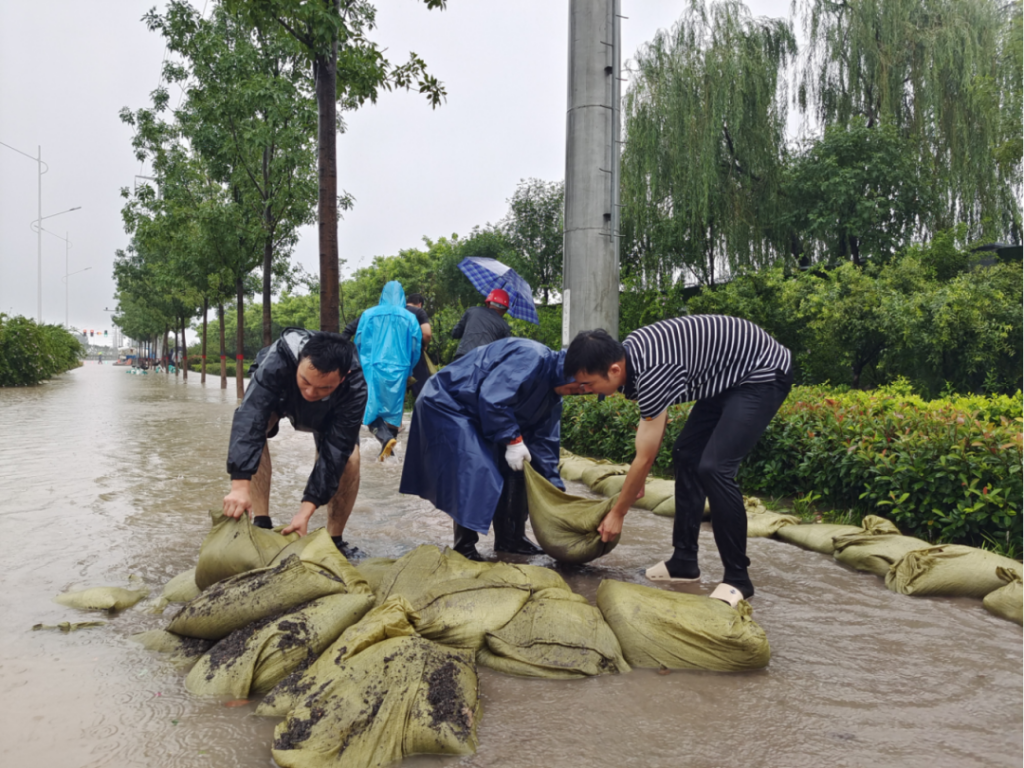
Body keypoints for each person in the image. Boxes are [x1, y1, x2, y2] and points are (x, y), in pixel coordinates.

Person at [564, 316, 793, 607]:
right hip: (724, 380)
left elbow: (645, 456)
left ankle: (738, 579)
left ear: (614, 369)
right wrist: (635, 484)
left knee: (714, 468)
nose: (586, 391)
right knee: (686, 454)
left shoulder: (652, 372)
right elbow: (651, 436)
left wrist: (618, 513)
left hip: (761, 373)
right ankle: (684, 561)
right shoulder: (630, 356)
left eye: (588, 384)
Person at [400, 337, 584, 561]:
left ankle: (511, 539)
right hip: (448, 403)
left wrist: (554, 492)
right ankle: (464, 547)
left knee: (520, 469)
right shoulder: (532, 357)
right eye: (576, 388)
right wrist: (513, 440)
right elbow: (493, 399)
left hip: (480, 414)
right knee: (477, 466)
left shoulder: (553, 397)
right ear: (572, 374)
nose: (574, 392)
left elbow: (544, 445)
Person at [223, 328, 367, 559]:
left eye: (323, 388)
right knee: (258, 428)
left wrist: (305, 511)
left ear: (342, 378)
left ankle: (334, 539)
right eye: (306, 381)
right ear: (299, 362)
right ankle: (261, 521)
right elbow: (251, 417)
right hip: (281, 395)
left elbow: (336, 451)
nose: (311, 392)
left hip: (329, 412)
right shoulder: (277, 362)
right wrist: (240, 486)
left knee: (350, 458)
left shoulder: (354, 386)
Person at [353, 282, 423, 459]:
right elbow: (416, 347)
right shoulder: (409, 318)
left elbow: (359, 341)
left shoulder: (368, 314)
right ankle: (390, 454)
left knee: (370, 409)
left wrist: (361, 364)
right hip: (400, 369)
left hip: (373, 367)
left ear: (382, 295)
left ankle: (385, 440)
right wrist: (409, 368)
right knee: (394, 411)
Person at [450, 289, 512, 360]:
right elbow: (503, 353)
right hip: (483, 362)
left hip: (463, 357)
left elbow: (455, 333)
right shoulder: (504, 327)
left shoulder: (472, 311)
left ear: (488, 303)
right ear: (505, 310)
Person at [405, 293, 433, 399]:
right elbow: (427, 333)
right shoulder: (419, 312)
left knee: (398, 394)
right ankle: (422, 414)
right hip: (415, 355)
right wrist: (424, 345)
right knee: (422, 391)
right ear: (420, 304)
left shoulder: (398, 312)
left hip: (397, 356)